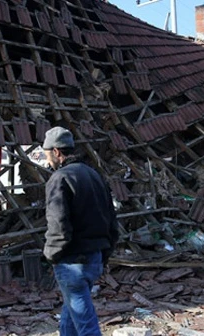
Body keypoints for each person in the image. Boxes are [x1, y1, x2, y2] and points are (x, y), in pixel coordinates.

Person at [42, 126, 118, 336]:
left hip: (72, 260)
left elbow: (58, 224)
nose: (47, 161)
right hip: (94, 257)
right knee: (71, 315)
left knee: (87, 327)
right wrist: (105, 252)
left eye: (47, 155)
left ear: (57, 152)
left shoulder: (60, 178)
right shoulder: (94, 175)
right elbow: (112, 220)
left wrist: (51, 254)